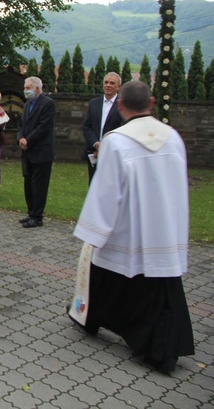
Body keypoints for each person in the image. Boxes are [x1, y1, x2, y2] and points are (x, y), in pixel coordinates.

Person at [67, 81, 194, 374]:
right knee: (157, 282)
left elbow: (107, 191)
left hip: (129, 228)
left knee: (101, 263)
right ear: (151, 103)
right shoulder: (173, 136)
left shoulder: (117, 140)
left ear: (121, 106)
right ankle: (153, 343)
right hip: (164, 228)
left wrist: (93, 230)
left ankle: (93, 317)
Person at [16, 76, 55, 228]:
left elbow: (43, 127)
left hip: (41, 151)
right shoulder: (27, 105)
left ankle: (37, 216)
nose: (25, 91)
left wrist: (28, 140)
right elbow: (21, 125)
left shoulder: (48, 104)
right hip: (27, 152)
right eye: (25, 88)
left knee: (39, 185)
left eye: (28, 88)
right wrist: (20, 138)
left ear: (37, 89)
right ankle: (31, 212)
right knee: (29, 184)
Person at [82, 72, 123, 184]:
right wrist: (96, 144)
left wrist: (104, 147)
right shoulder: (93, 103)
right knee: (93, 185)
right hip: (94, 153)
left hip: (112, 154)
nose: (108, 85)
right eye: (106, 82)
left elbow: (121, 129)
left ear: (118, 86)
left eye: (112, 83)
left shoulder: (122, 106)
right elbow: (86, 126)